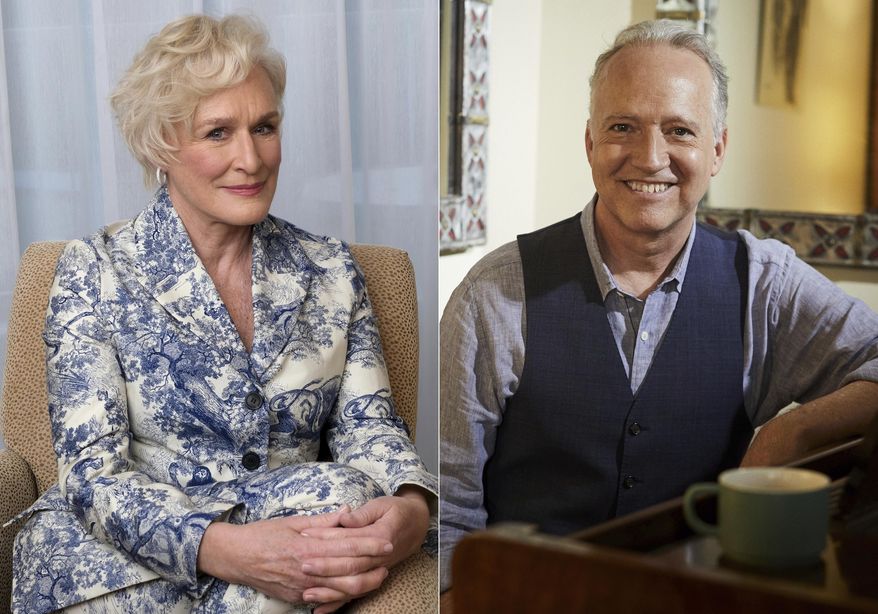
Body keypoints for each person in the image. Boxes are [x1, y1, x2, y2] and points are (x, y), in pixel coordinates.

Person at [8, 14, 436, 613]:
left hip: (289, 535)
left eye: (265, 127)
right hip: (125, 562)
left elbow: (368, 426)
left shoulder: (332, 271)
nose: (251, 159)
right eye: (217, 133)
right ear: (161, 145)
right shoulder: (93, 268)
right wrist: (230, 551)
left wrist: (413, 506)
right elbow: (93, 476)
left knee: (348, 491)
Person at [439, 19, 878, 590]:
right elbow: (447, 514)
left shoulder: (765, 284)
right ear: (590, 143)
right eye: (623, 126)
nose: (650, 158)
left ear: (716, 150)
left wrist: (791, 434)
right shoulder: (494, 294)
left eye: (679, 131)